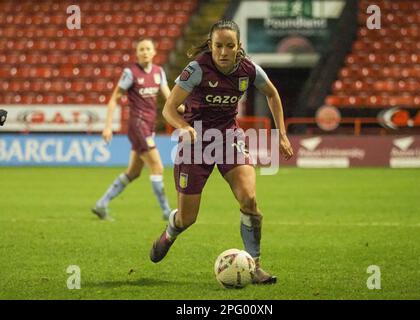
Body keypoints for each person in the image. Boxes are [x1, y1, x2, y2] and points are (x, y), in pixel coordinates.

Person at [149, 20, 293, 284]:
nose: (223, 52)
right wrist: (182, 126)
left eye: (230, 46)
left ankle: (255, 264)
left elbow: (272, 94)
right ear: (211, 45)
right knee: (187, 218)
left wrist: (281, 133)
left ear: (238, 47)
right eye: (218, 46)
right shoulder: (196, 69)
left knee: (249, 200)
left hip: (229, 137)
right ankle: (171, 231)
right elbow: (169, 109)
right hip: (195, 143)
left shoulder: (249, 69)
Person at [92, 39, 180, 221]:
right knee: (157, 167)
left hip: (149, 125)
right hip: (138, 125)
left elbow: (170, 98)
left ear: (154, 52)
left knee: (133, 172)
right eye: (142, 49)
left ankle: (101, 204)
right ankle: (166, 211)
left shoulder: (158, 72)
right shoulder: (130, 73)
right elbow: (114, 99)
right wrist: (107, 126)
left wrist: (185, 109)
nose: (145, 52)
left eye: (148, 49)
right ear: (137, 53)